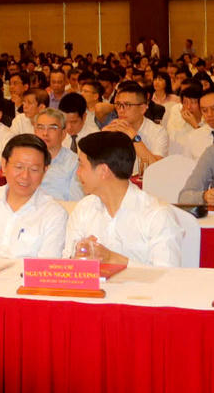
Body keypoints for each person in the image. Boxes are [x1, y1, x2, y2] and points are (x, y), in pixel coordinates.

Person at [63, 131, 184, 268]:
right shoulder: (84, 209)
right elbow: (66, 263)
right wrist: (77, 257)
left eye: (81, 165)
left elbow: (167, 274)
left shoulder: (157, 215)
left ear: (103, 171)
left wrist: (112, 259)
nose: (77, 173)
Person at [103, 82, 168, 173]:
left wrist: (134, 138)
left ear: (143, 108)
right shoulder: (113, 128)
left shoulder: (158, 132)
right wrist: (103, 137)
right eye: (118, 104)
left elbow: (158, 169)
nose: (121, 110)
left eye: (127, 105)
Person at [33, 107, 82, 202]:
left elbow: (75, 203)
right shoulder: (27, 159)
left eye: (52, 128)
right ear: (35, 132)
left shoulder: (74, 163)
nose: (45, 133)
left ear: (63, 133)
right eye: (41, 128)